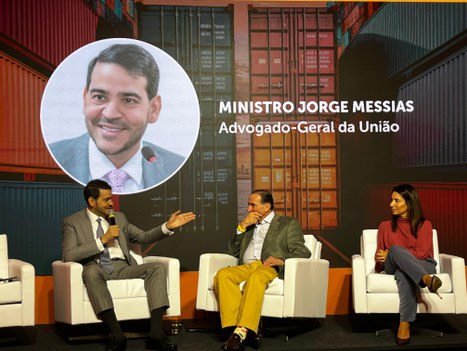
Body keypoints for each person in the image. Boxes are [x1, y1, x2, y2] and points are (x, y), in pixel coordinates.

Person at [61, 179, 196, 351]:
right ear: (91, 201)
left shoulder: (119, 218)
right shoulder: (72, 222)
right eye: (106, 199)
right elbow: (69, 255)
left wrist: (167, 227)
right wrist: (102, 240)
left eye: (111, 198)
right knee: (91, 273)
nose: (111, 203)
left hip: (123, 268)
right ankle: (117, 334)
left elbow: (143, 237)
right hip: (96, 268)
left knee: (157, 267)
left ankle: (155, 334)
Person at [50, 43, 184, 194]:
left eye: (128, 100)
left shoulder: (177, 166)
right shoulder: (53, 157)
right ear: (85, 99)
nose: (110, 114)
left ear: (153, 109)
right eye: (99, 97)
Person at [213, 190, 311, 351]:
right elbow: (231, 251)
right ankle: (233, 330)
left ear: (267, 206)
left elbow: (303, 251)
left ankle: (240, 333)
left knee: (256, 278)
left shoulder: (287, 223)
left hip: (268, 266)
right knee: (224, 274)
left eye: (253, 205)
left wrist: (280, 260)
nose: (249, 209)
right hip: (246, 266)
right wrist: (241, 227)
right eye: (248, 205)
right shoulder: (248, 225)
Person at [374, 184, 442, 345]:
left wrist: (390, 253)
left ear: (410, 203)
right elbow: (379, 260)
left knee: (403, 272)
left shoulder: (424, 225)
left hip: (425, 264)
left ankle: (404, 323)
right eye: (391, 200)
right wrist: (391, 255)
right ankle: (426, 280)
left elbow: (422, 254)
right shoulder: (385, 226)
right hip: (394, 266)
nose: (391, 204)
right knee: (396, 251)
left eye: (396, 200)